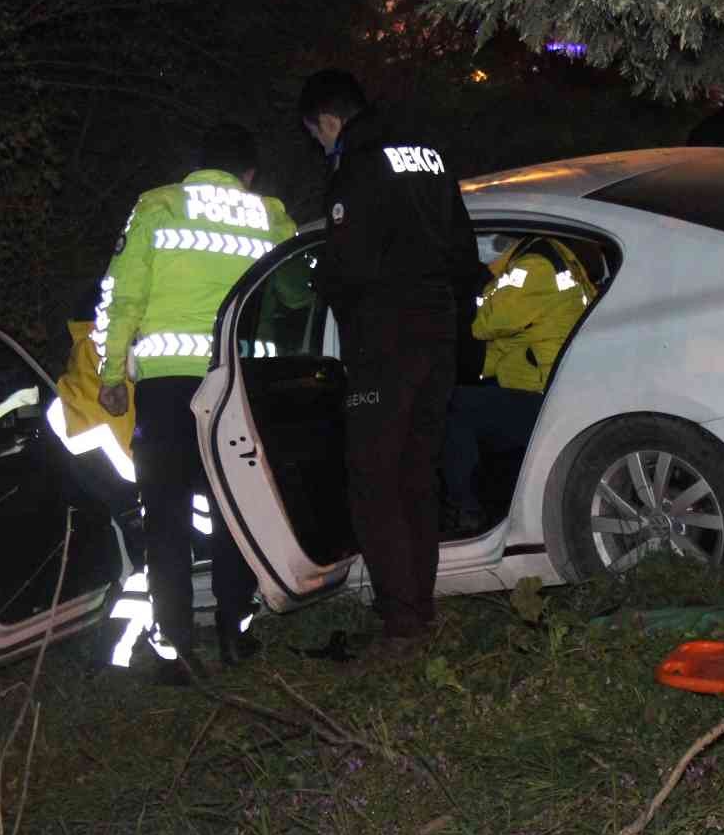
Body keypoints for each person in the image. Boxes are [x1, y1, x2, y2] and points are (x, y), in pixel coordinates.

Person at [93, 125, 296, 682]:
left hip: (164, 389)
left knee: (165, 517)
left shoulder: (157, 204)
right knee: (236, 508)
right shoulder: (270, 214)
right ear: (248, 174)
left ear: (197, 165)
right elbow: (296, 292)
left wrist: (111, 373)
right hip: (237, 385)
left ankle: (176, 651)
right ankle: (235, 632)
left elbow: (121, 293)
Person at [299, 69, 477, 657]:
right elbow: (464, 251)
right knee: (416, 474)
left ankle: (400, 624)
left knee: (374, 480)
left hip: (385, 340)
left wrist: (323, 282)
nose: (323, 148)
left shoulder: (358, 163)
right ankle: (418, 609)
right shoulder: (427, 156)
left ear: (330, 121)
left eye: (318, 138)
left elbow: (351, 268)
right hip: (438, 331)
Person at [442, 234, 595, 535]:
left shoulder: (533, 266)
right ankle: (496, 506)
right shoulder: (552, 256)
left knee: (451, 408)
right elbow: (508, 344)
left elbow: (486, 323)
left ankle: (464, 510)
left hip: (544, 395)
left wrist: (477, 285)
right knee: (467, 401)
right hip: (549, 384)